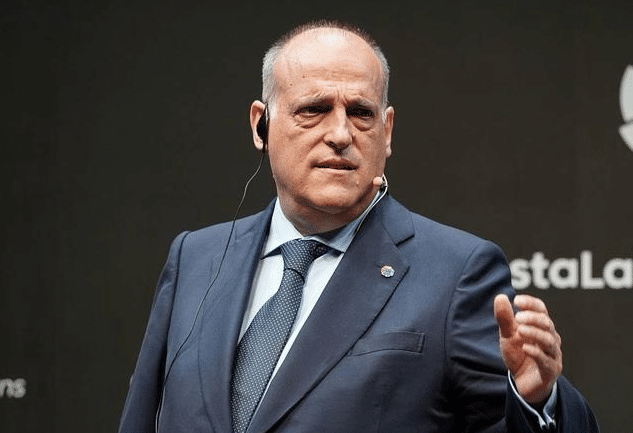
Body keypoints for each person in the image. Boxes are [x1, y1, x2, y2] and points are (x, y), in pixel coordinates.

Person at [118, 21, 599, 433]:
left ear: (386, 132)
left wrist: (536, 400)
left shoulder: (458, 272)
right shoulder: (195, 258)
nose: (340, 134)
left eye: (361, 113)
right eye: (314, 109)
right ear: (261, 124)